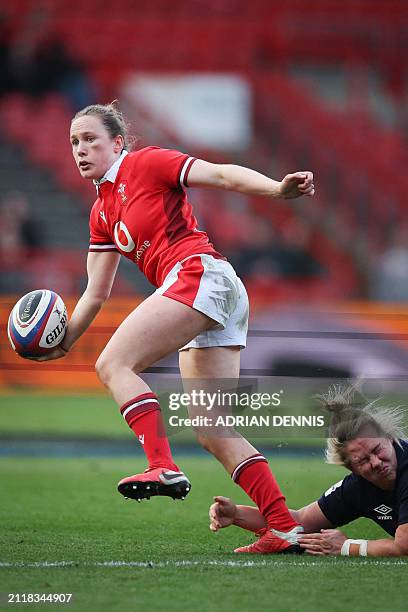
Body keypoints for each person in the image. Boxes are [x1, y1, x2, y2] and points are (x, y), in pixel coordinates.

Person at [26, 102, 314, 554]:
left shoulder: (147, 163)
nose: (80, 150)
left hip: (200, 274)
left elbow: (220, 175)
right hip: (209, 289)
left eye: (90, 140)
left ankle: (161, 465)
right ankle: (282, 527)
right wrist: (61, 345)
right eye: (73, 143)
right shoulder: (101, 211)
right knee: (213, 431)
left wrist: (278, 191)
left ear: (118, 142)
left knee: (114, 363)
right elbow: (94, 295)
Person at [209, 385, 408, 556]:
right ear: (351, 468)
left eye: (377, 450)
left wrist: (347, 547)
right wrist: (236, 515)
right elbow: (299, 522)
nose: (376, 462)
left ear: (389, 438)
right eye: (362, 460)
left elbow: (404, 545)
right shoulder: (357, 487)